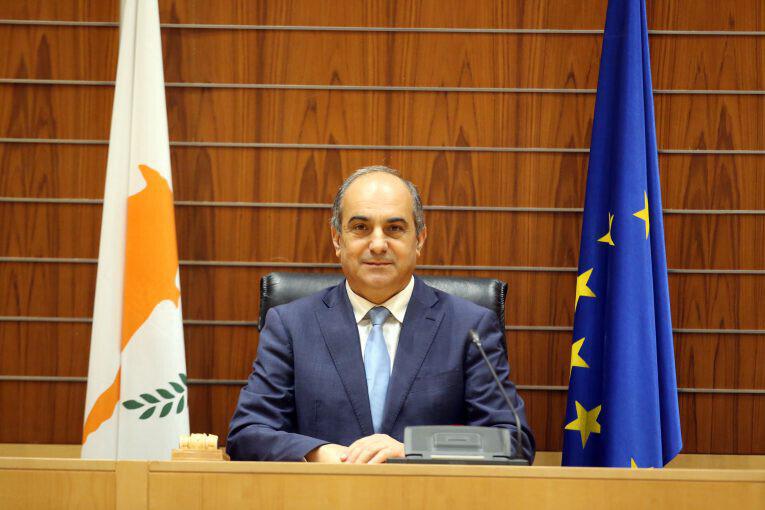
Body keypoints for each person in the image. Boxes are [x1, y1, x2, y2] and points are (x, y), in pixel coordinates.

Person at [227, 166, 535, 463]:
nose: (377, 244)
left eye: (394, 228)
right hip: (327, 492)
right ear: (337, 239)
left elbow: (513, 441)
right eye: (360, 228)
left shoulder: (470, 327)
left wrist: (412, 451)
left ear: (420, 239)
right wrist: (319, 453)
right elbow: (247, 434)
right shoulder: (292, 326)